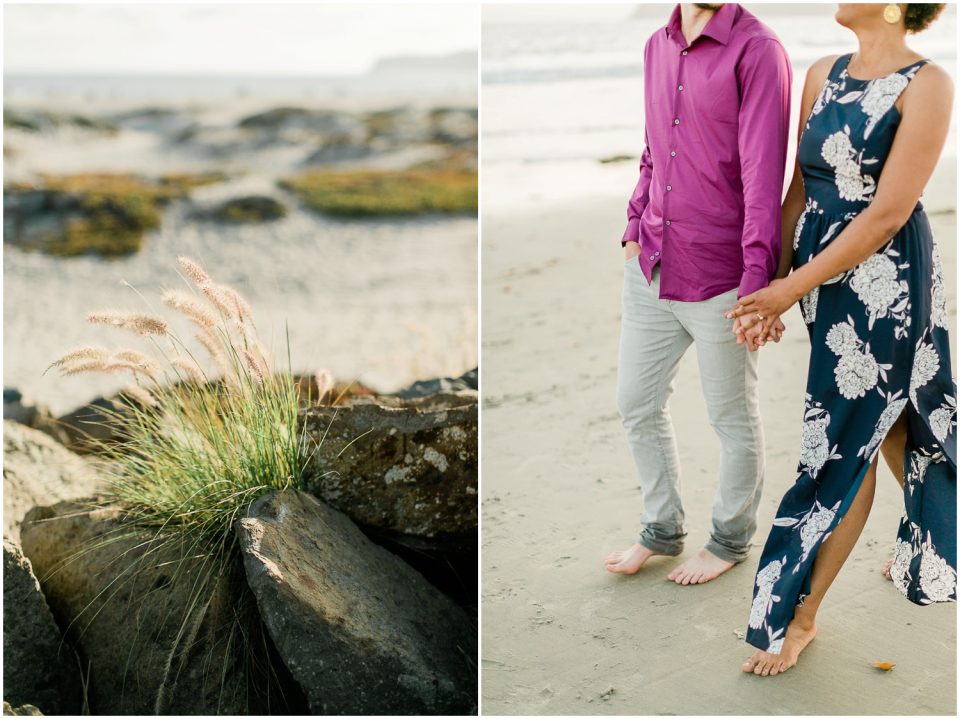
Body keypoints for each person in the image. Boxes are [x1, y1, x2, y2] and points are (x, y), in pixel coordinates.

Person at [727, 2, 956, 676]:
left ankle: (799, 615)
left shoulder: (929, 84)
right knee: (894, 424)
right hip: (821, 284)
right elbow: (799, 188)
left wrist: (791, 287)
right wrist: (773, 284)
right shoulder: (822, 72)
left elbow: (886, 214)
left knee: (844, 437)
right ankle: (933, 536)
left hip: (889, 283)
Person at [605, 3, 792, 584]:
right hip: (654, 264)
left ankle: (730, 539)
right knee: (636, 402)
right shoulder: (655, 45)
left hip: (723, 278)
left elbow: (765, 175)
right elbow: (652, 150)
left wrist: (757, 281)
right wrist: (635, 223)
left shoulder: (758, 50)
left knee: (731, 418)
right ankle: (661, 530)